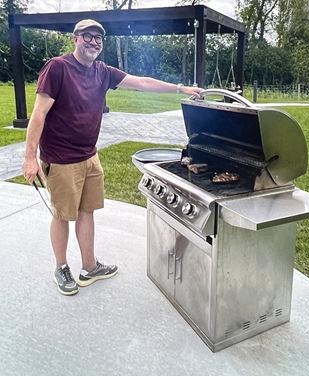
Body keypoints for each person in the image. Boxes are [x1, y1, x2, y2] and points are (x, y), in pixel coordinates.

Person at [22, 19, 203, 296]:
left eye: (99, 38)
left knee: (87, 211)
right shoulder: (57, 67)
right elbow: (38, 114)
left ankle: (89, 267)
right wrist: (29, 158)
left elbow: (141, 82)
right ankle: (61, 267)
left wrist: (180, 88)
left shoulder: (102, 71)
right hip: (60, 158)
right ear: (76, 39)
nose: (94, 41)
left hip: (89, 156)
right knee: (62, 216)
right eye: (88, 36)